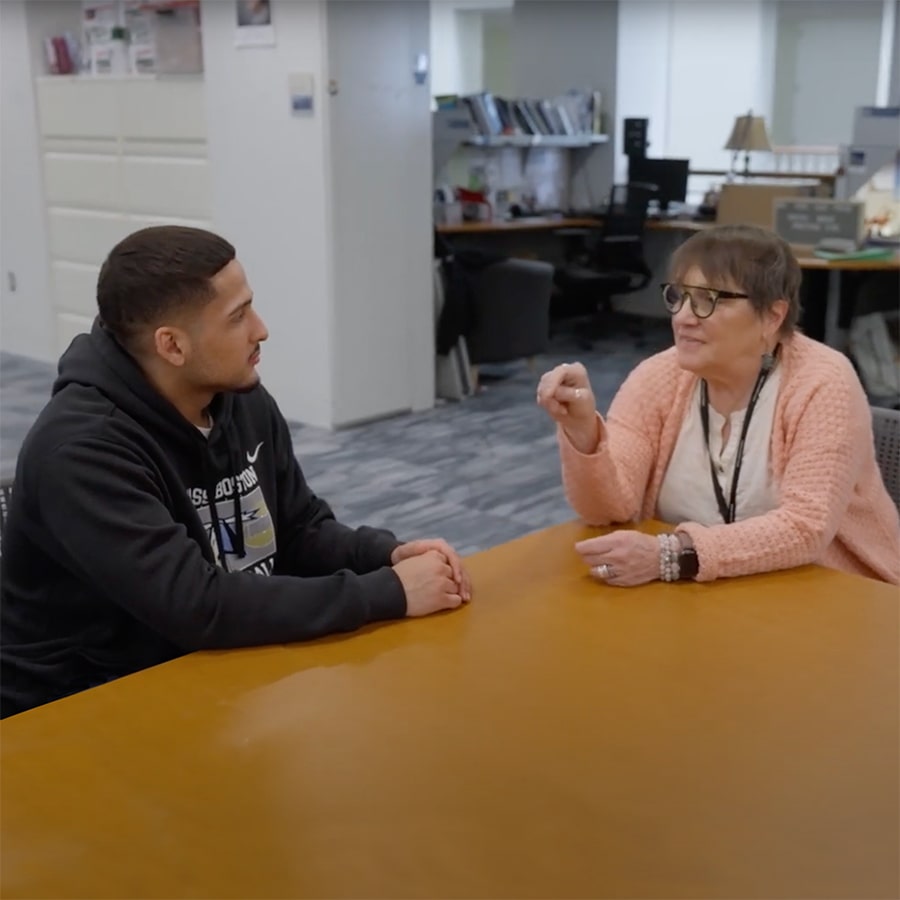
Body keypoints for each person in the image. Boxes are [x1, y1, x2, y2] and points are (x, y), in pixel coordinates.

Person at [0, 226, 472, 718]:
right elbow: (196, 606)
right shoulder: (81, 450)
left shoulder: (238, 398)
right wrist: (389, 593)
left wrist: (385, 555)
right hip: (75, 712)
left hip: (200, 676)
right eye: (238, 316)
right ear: (172, 346)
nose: (261, 329)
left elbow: (299, 529)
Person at [536, 224, 900, 587]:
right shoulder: (658, 377)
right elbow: (609, 511)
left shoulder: (824, 382)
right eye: (678, 296)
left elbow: (805, 528)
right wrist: (583, 433)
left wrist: (671, 555)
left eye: (708, 299)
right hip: (706, 594)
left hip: (834, 593)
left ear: (772, 316)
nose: (682, 317)